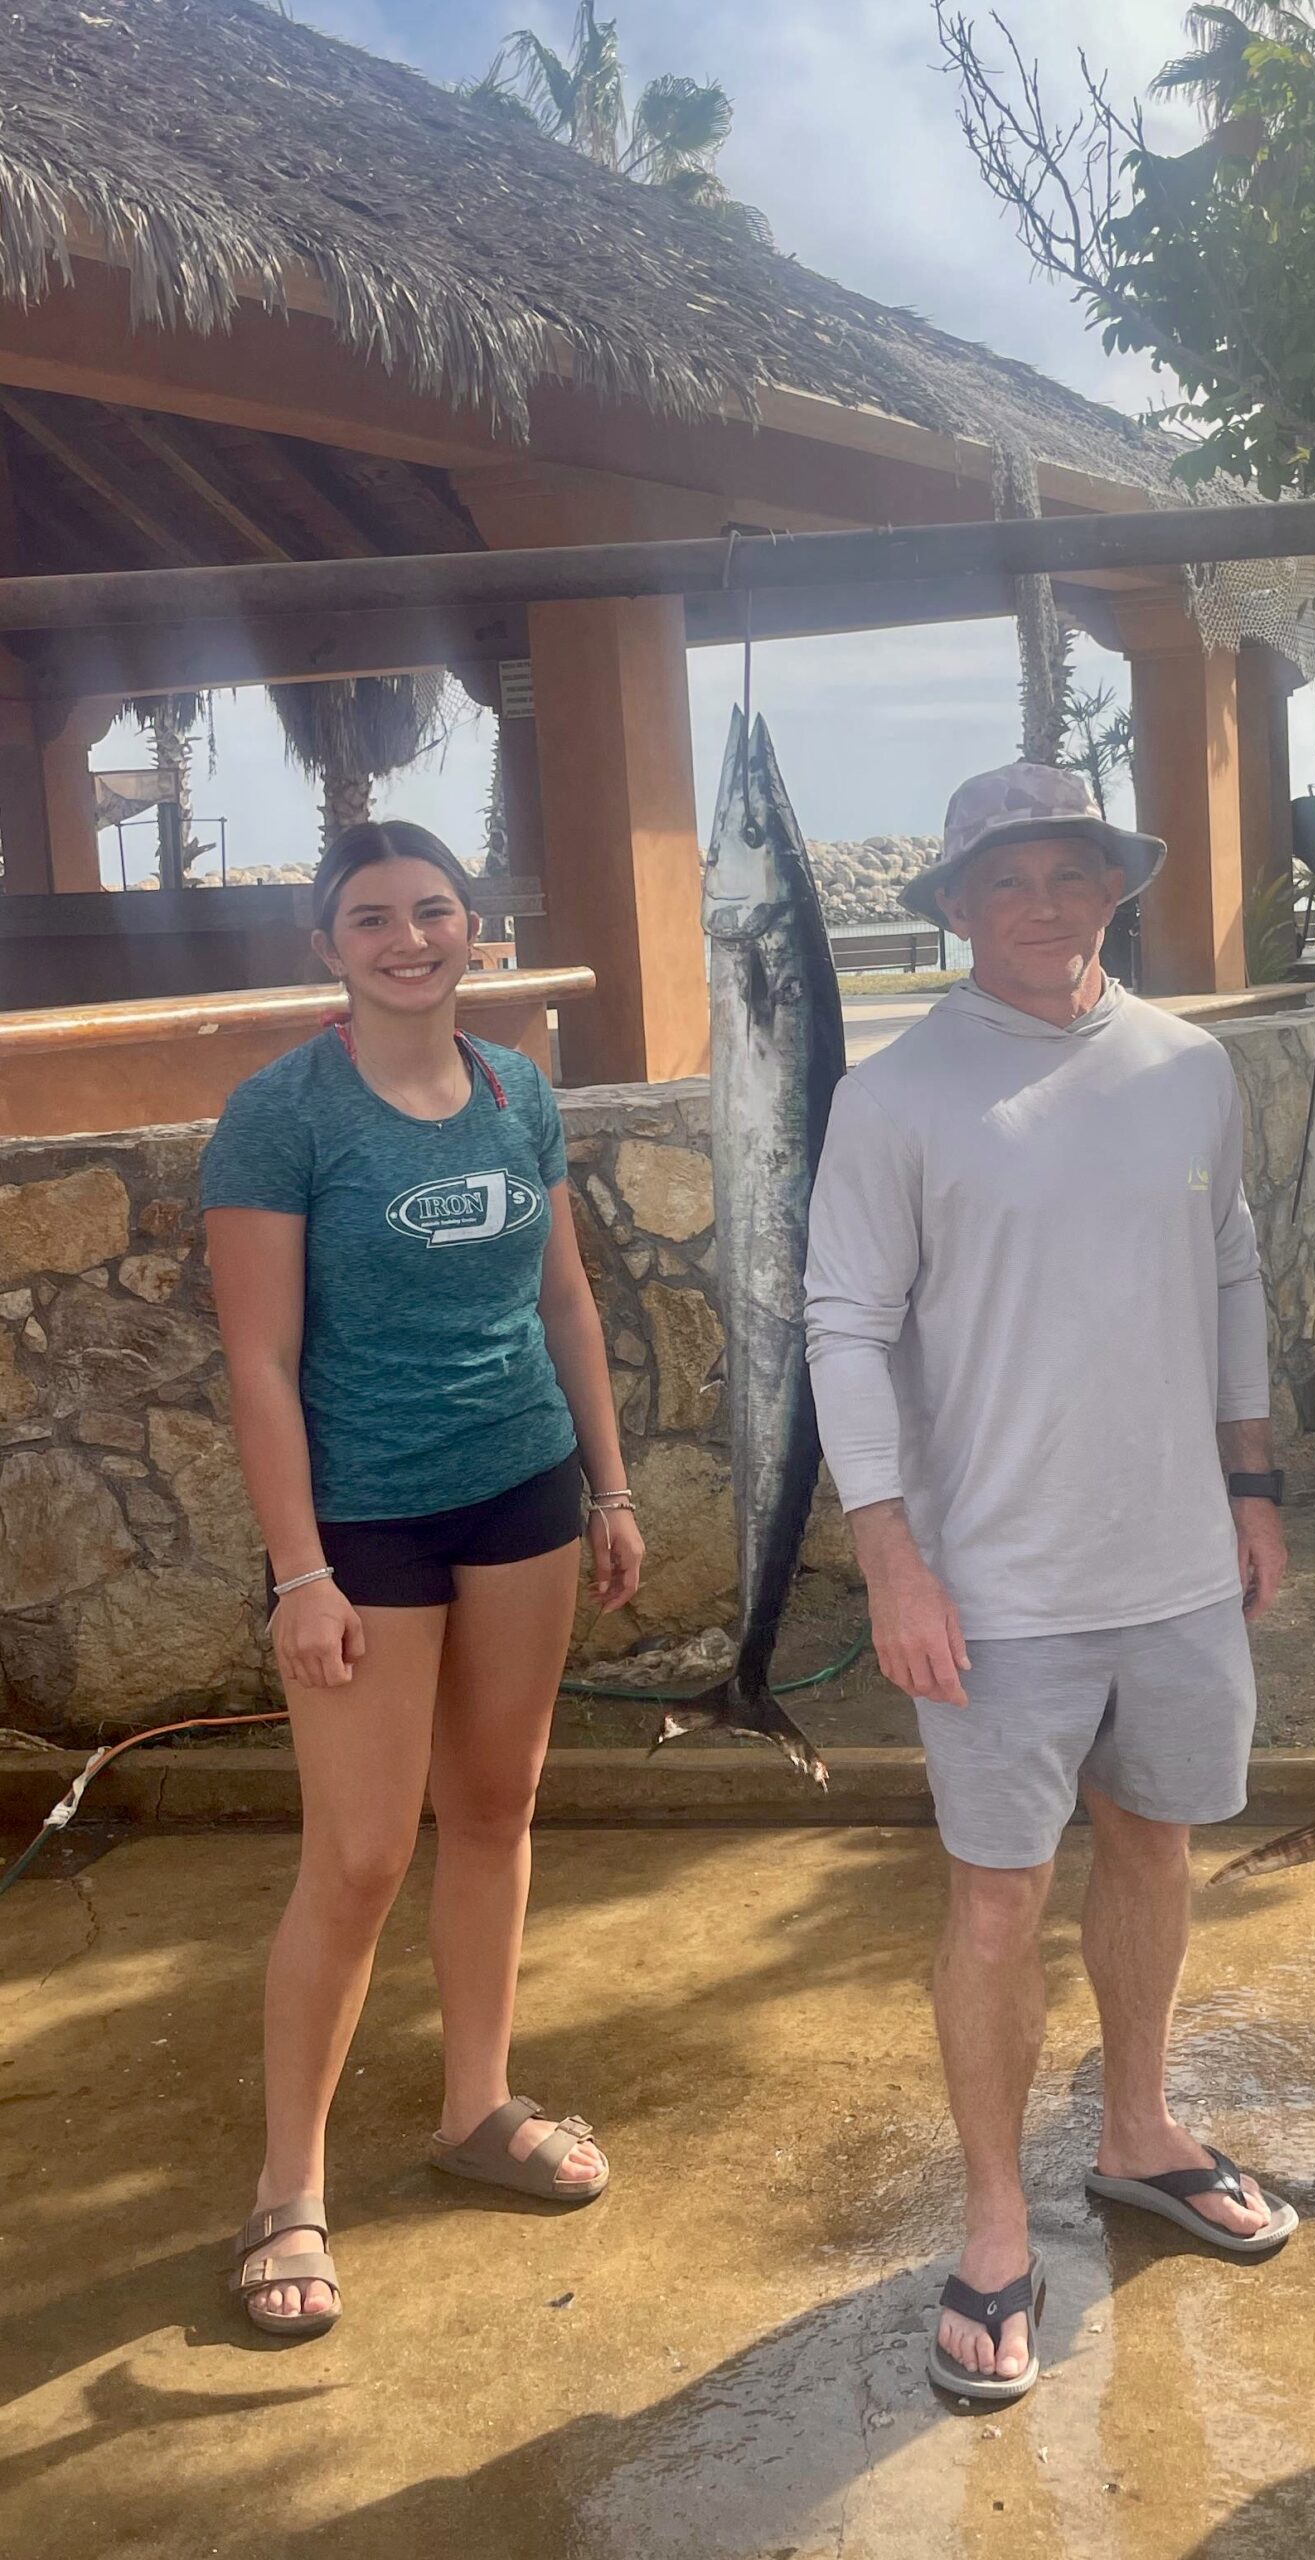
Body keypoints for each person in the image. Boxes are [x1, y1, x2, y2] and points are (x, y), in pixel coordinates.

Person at [805, 761, 1297, 2403]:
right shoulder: (895, 1096)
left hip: (1169, 1557)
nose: (1044, 905)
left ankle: (1140, 2130)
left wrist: (1250, 1480)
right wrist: (889, 1557)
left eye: (1071, 872)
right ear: (951, 905)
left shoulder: (1187, 1066)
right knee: (1000, 1897)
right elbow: (846, 1330)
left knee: (1155, 1843)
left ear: (1110, 888)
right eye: (1007, 879)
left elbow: (1229, 1263)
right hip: (989, 1581)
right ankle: (997, 2215)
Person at [202, 820, 645, 2340]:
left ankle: (477, 2108)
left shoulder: (519, 1089)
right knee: (362, 1855)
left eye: (435, 911)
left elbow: (566, 1295)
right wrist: (299, 1571)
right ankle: (290, 2188)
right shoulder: (280, 1116)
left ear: (477, 930)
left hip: (520, 1490)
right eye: (373, 917)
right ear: (326, 944)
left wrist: (609, 1483)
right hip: (363, 1528)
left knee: (500, 1809)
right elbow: (258, 1363)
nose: (410, 938)